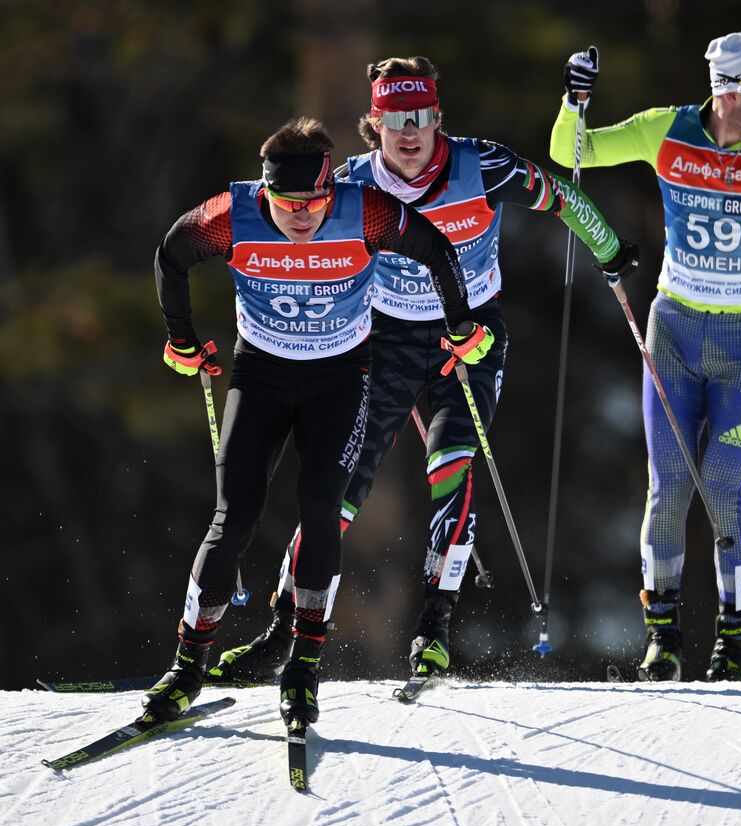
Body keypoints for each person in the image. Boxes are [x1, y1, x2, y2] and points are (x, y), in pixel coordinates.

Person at [207, 56, 637, 687]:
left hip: (469, 335)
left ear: (438, 118)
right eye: (393, 120)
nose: (408, 134)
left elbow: (560, 195)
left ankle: (434, 630)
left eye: (421, 118)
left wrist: (610, 251)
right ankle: (279, 633)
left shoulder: (480, 165)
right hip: (382, 341)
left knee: (452, 465)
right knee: (339, 489)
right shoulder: (351, 184)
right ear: (372, 124)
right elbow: (276, 210)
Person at [146, 116, 494, 726]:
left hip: (340, 380)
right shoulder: (232, 214)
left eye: (315, 202)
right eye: (288, 204)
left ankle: (303, 666)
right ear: (266, 192)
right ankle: (188, 665)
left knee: (320, 507)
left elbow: (437, 249)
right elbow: (171, 255)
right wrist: (181, 340)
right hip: (260, 378)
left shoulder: (365, 212)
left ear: (331, 192)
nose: (302, 216)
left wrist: (461, 326)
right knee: (235, 518)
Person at [551, 33, 741, 681]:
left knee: (722, 490)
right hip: (676, 332)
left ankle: (734, 642)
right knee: (668, 490)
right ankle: (663, 638)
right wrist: (574, 103)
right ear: (731, 91)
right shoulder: (667, 130)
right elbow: (572, 151)